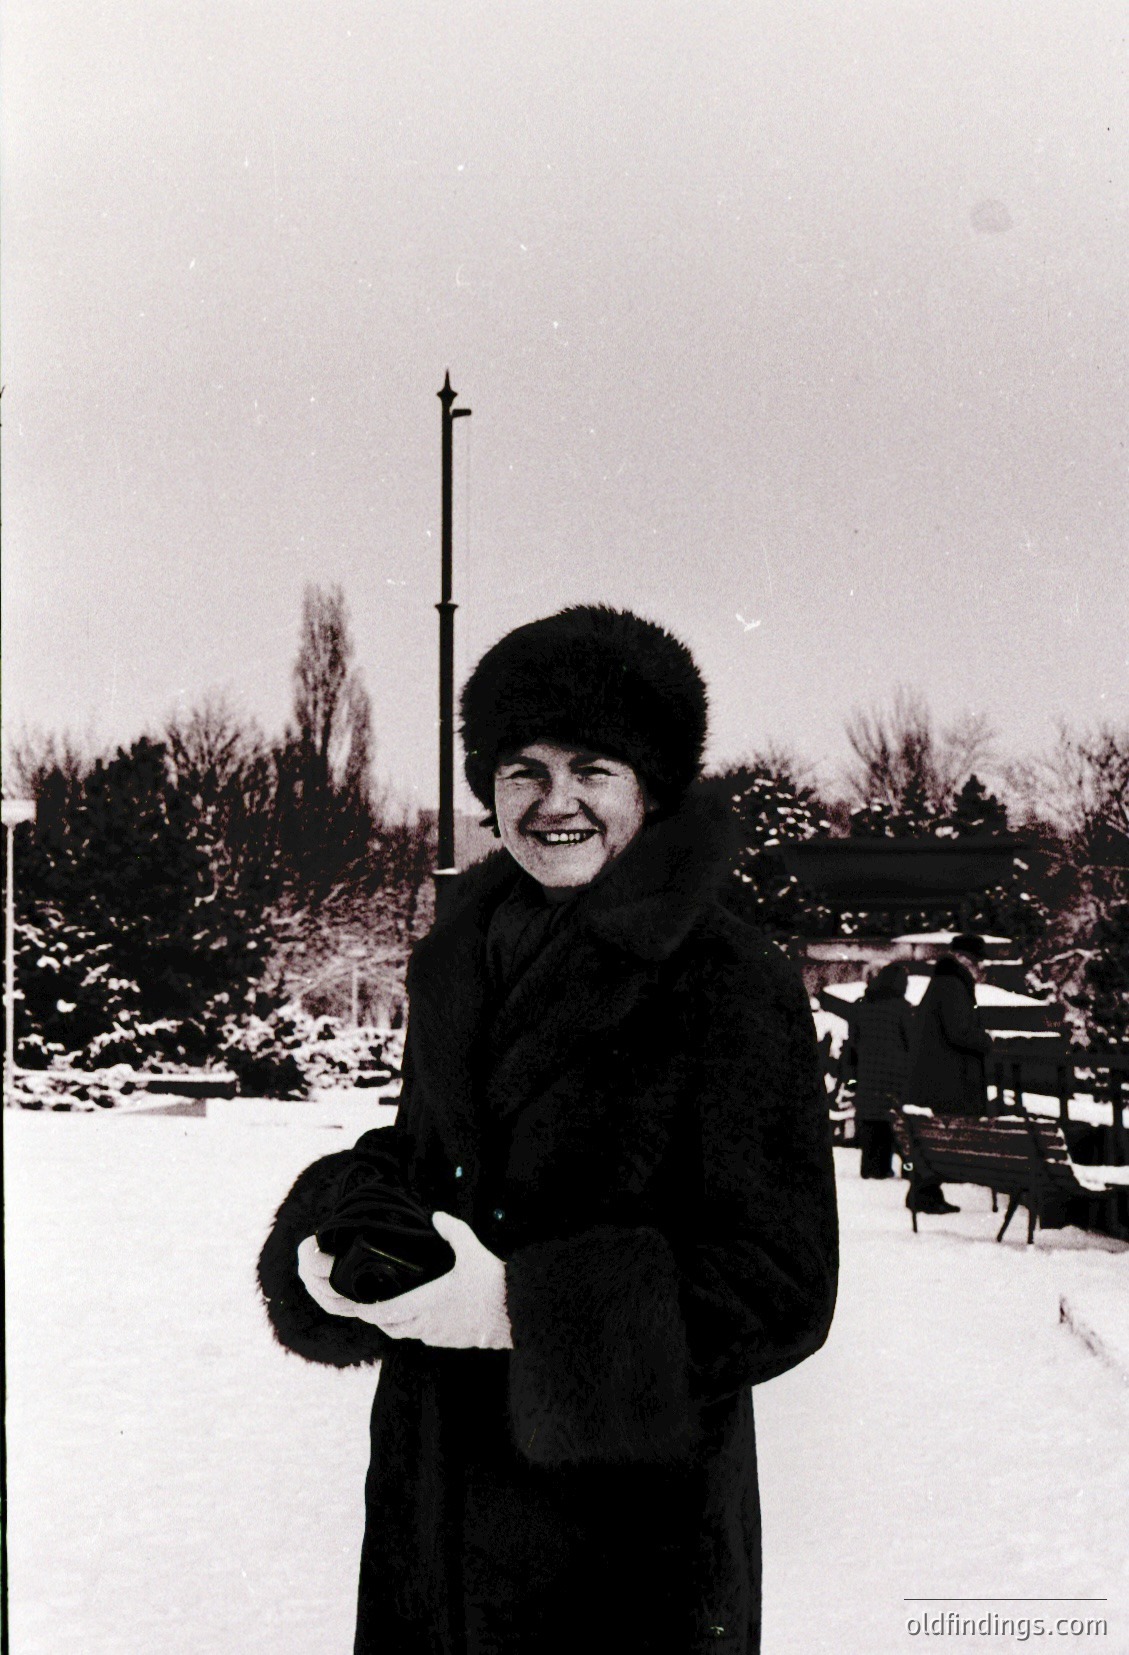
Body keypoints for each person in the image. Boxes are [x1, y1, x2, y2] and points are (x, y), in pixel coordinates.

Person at [257, 605, 839, 1655]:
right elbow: (432, 1154)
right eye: (522, 768)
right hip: (434, 1495)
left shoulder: (724, 975)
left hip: (624, 1543)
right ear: (487, 790)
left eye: (592, 768)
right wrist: (338, 1223)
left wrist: (516, 1307)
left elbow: (781, 1282)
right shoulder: (459, 959)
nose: (553, 800)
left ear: (648, 788)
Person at [902, 932, 994, 1214]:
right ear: (967, 960)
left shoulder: (942, 982)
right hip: (948, 1078)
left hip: (935, 1076)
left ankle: (925, 1192)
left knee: (933, 1137)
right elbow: (959, 1032)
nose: (981, 969)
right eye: (979, 963)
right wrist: (987, 1040)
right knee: (941, 1136)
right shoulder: (953, 985)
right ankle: (924, 1194)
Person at [845, 961, 914, 1179]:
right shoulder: (903, 1008)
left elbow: (853, 1042)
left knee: (871, 1123)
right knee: (894, 1124)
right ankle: (903, 1169)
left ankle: (871, 1169)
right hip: (896, 1077)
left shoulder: (860, 1005)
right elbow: (912, 1043)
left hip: (867, 1076)